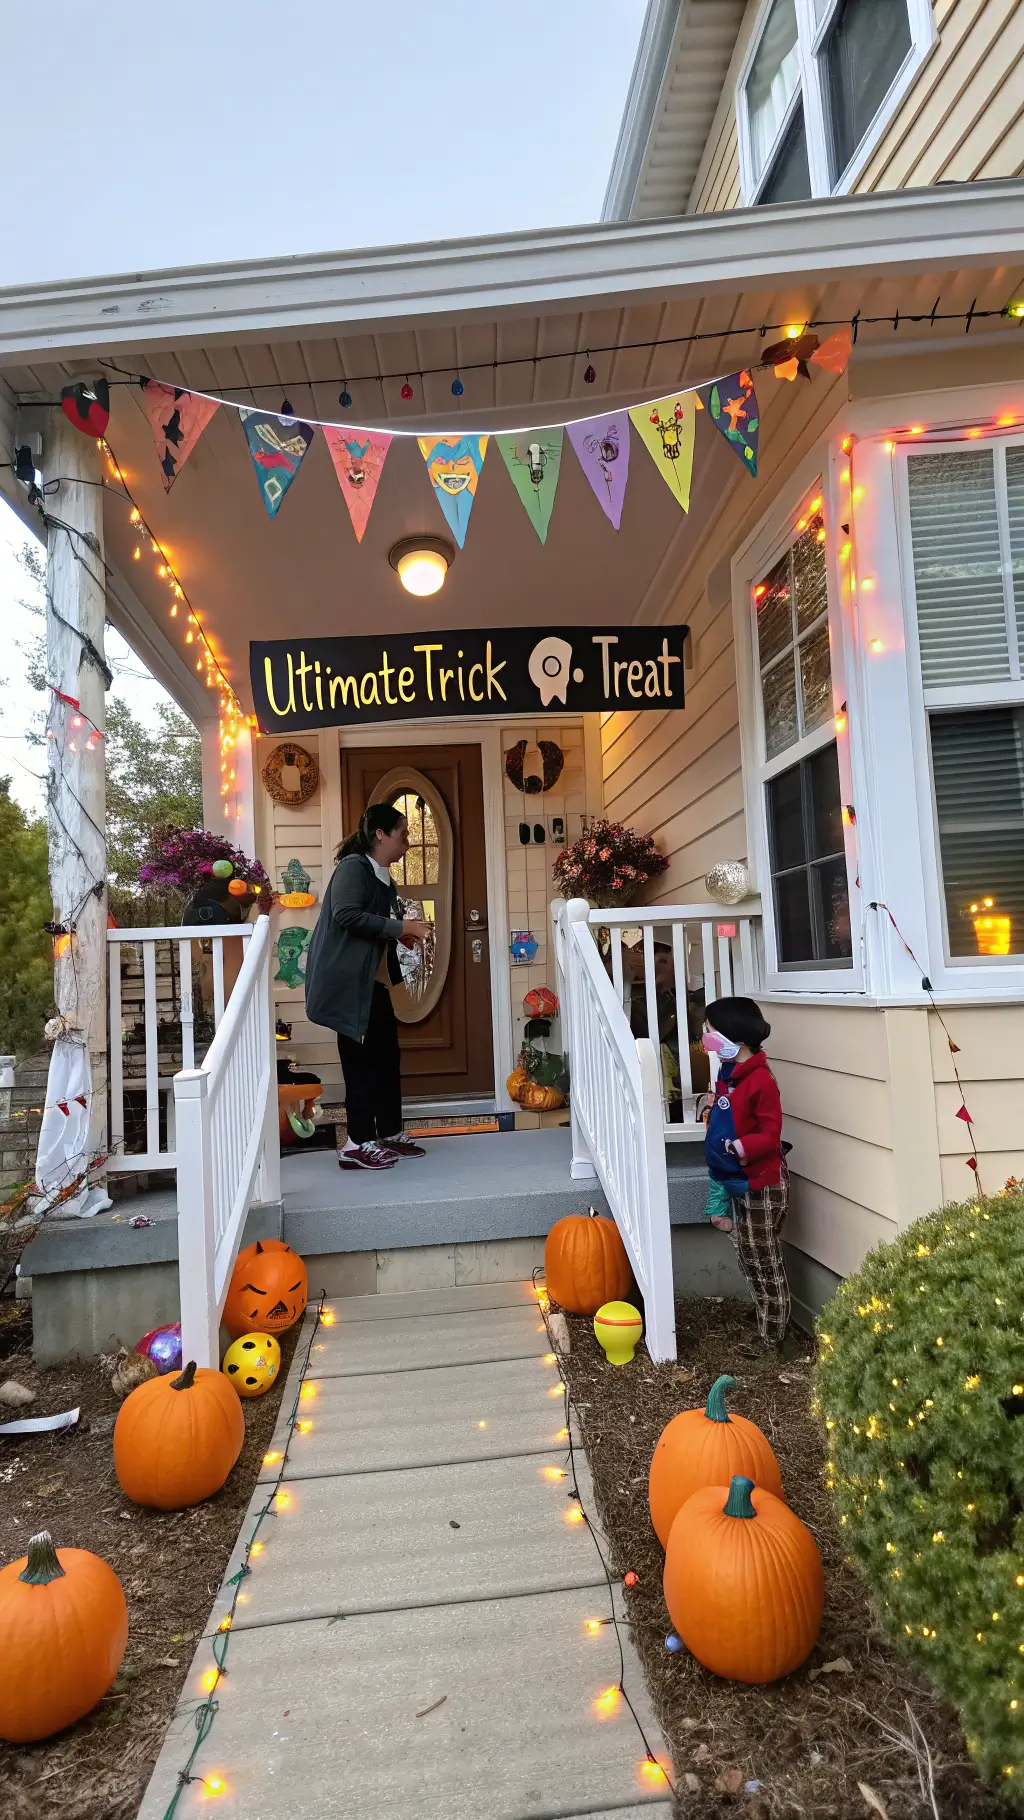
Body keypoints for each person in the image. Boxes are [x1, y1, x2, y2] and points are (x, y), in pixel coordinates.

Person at [304, 803, 431, 1171]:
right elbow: (346, 914)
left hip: (372, 983)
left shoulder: (383, 878)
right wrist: (402, 928)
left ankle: (388, 1132)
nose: (408, 842)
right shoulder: (353, 868)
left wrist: (399, 935)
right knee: (360, 1064)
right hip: (348, 985)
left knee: (386, 1059)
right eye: (403, 834)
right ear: (380, 835)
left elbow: (376, 922)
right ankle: (356, 1144)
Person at [701, 996, 790, 1348]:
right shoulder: (728, 1073)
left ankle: (772, 1338)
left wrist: (738, 1149)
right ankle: (764, 1314)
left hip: (762, 1183)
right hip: (737, 1180)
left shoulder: (760, 1080)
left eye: (710, 1030)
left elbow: (770, 1134)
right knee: (749, 1254)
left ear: (732, 1038)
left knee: (763, 1259)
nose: (705, 1037)